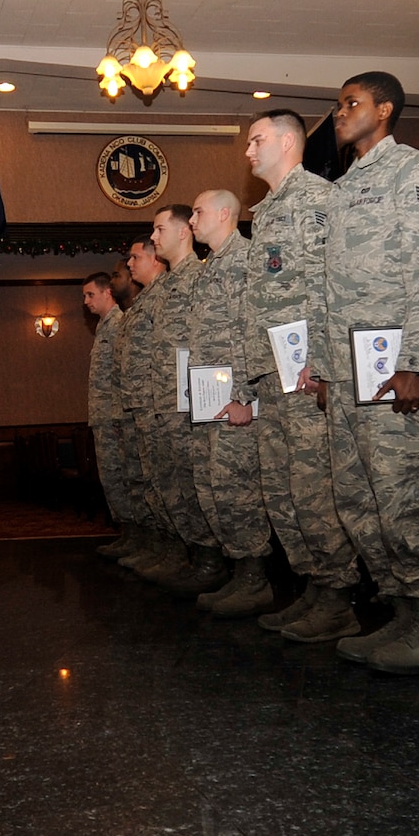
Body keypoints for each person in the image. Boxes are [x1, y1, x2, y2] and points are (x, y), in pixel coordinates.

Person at [300, 72, 419, 674]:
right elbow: (324, 287)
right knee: (357, 500)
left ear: (385, 110)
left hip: (392, 371)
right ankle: (400, 613)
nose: (339, 114)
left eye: (351, 103)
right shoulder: (341, 188)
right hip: (346, 375)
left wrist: (417, 361)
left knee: (399, 495)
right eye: (338, 104)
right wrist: (322, 368)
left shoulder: (411, 171)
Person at [241, 110, 363, 643]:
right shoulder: (268, 210)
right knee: (284, 489)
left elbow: (328, 282)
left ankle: (338, 597)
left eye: (257, 140)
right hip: (273, 371)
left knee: (313, 487)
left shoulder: (314, 199)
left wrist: (322, 359)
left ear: (289, 141)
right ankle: (314, 586)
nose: (248, 151)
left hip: (305, 370)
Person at [183, 189, 279, 616]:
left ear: (224, 214)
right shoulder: (211, 267)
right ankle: (239, 573)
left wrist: (245, 397)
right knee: (215, 490)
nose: (192, 221)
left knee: (238, 491)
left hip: (233, 401)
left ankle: (256, 581)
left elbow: (249, 332)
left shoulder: (242, 259)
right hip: (211, 401)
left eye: (198, 212)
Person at [139, 203, 227, 594]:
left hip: (193, 403)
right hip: (165, 403)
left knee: (198, 485)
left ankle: (211, 563)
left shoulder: (199, 277)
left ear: (182, 232)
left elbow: (212, 342)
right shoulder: (166, 286)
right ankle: (194, 556)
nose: (154, 237)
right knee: (174, 485)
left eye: (159, 229)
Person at [113, 238, 175, 576]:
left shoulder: (165, 295)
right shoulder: (141, 303)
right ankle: (160, 546)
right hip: (139, 406)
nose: (129, 263)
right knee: (150, 482)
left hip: (159, 404)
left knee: (168, 482)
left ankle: (181, 554)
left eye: (135, 257)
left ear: (155, 259)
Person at [83, 271, 140, 559]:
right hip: (103, 416)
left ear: (108, 293)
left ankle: (137, 538)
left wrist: (120, 415)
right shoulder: (103, 326)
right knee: (112, 478)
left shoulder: (119, 324)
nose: (86, 301)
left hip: (116, 417)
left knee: (124, 477)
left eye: (90, 294)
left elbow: (124, 374)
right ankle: (126, 533)